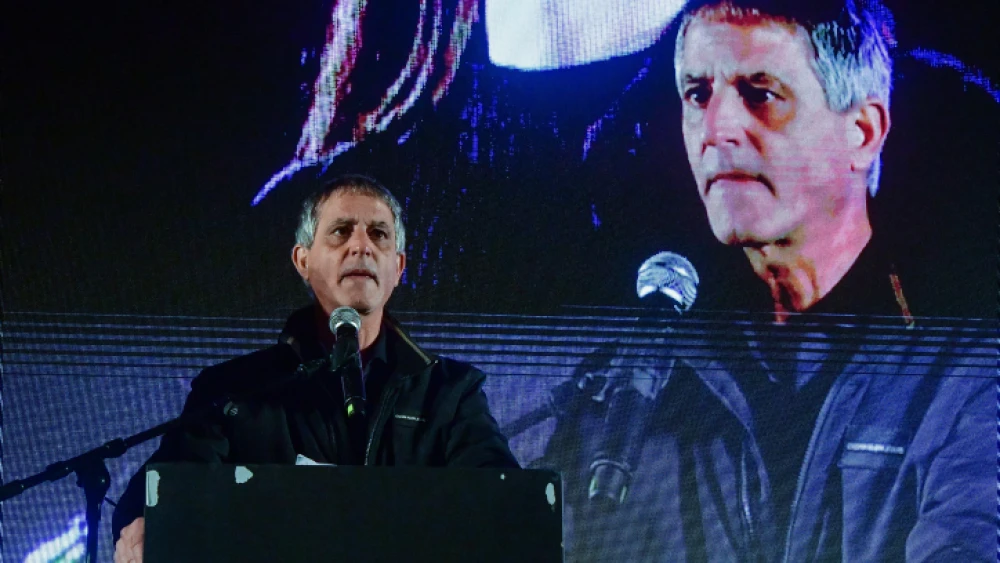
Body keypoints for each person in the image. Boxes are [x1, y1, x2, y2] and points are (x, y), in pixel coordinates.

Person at [539, 1, 995, 561]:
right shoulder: (635, 376)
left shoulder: (966, 378)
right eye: (697, 94)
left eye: (761, 93)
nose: (716, 129)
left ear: (862, 131)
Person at [112, 174, 519, 562]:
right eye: (341, 231)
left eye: (378, 233)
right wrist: (147, 526)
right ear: (303, 261)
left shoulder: (451, 393)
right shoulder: (235, 390)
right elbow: (164, 490)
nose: (361, 246)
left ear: (398, 267)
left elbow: (509, 510)